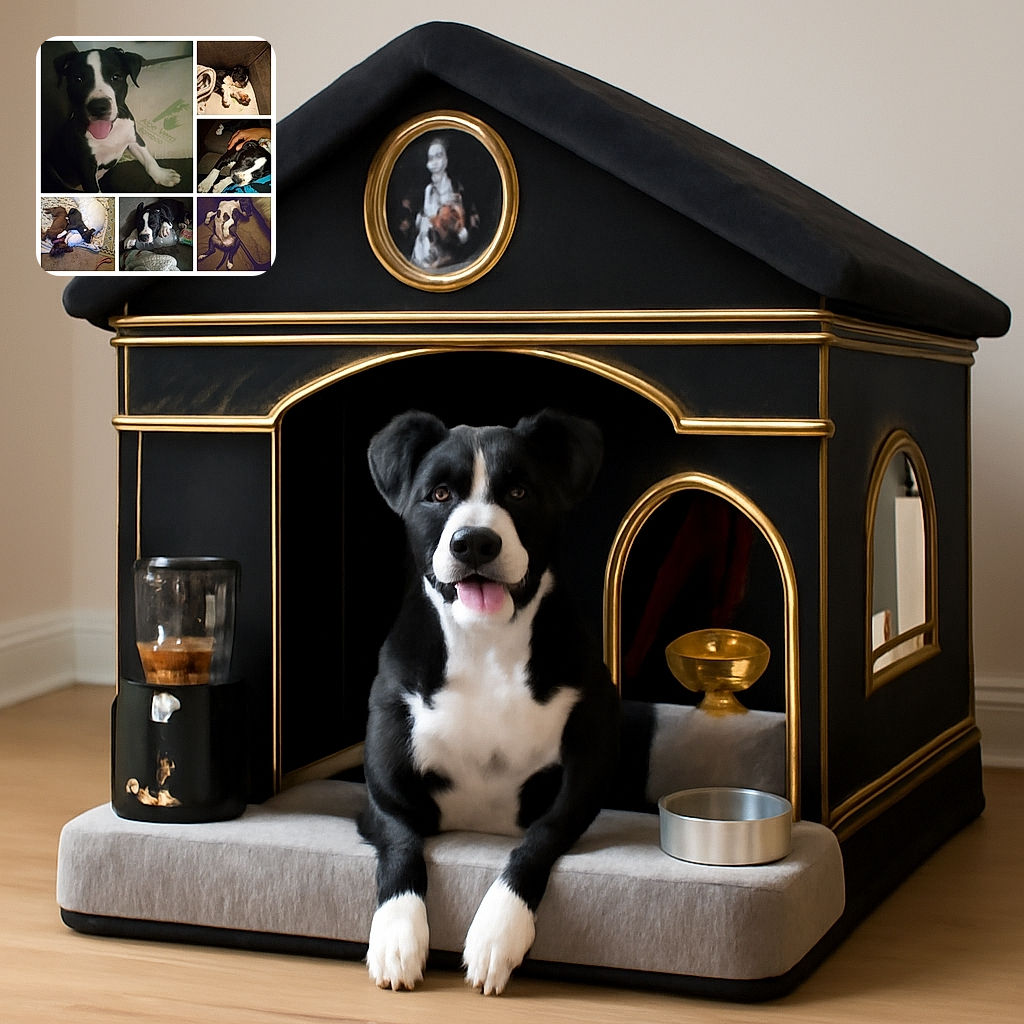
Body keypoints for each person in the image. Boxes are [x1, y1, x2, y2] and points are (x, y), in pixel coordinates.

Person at [399, 137, 479, 270]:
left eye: (439, 156)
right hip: (425, 248)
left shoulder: (457, 188)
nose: (435, 162)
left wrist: (458, 231)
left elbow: (469, 223)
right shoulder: (426, 190)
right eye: (431, 158)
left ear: (446, 159)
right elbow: (416, 220)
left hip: (449, 250)